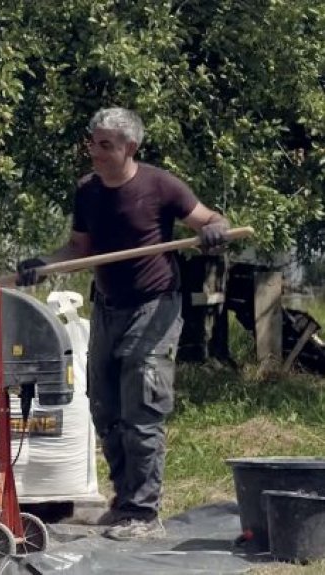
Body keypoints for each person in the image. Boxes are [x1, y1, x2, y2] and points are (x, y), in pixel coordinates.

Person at [16, 107, 229, 541]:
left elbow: (210, 219)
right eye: (92, 142)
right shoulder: (88, 192)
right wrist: (42, 266)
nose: (94, 151)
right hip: (109, 308)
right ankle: (124, 503)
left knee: (142, 407)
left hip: (155, 307)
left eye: (105, 145)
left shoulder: (160, 185)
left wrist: (215, 231)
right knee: (105, 406)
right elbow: (77, 249)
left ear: (130, 147)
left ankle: (144, 514)